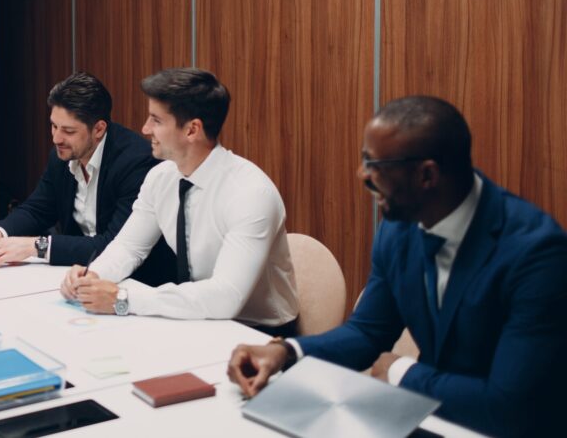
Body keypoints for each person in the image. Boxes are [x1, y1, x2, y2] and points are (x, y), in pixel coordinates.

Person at [227, 96, 567, 438]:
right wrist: (284, 352)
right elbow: (368, 333)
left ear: (426, 174)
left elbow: (507, 406)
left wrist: (401, 372)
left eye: (375, 164)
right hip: (435, 418)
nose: (362, 174)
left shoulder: (536, 253)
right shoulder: (398, 227)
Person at [61, 68, 299, 331]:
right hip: (195, 317)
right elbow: (129, 248)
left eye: (156, 120)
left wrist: (123, 299)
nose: (145, 129)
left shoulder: (250, 193)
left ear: (192, 130)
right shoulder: (160, 177)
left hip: (258, 331)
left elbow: (227, 296)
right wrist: (93, 276)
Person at [0, 72, 174, 285]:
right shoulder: (64, 154)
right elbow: (37, 209)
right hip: (76, 274)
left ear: (98, 129)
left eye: (68, 131)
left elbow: (114, 245)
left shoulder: (135, 162)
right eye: (54, 126)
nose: (56, 138)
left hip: (134, 282)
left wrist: (36, 246)